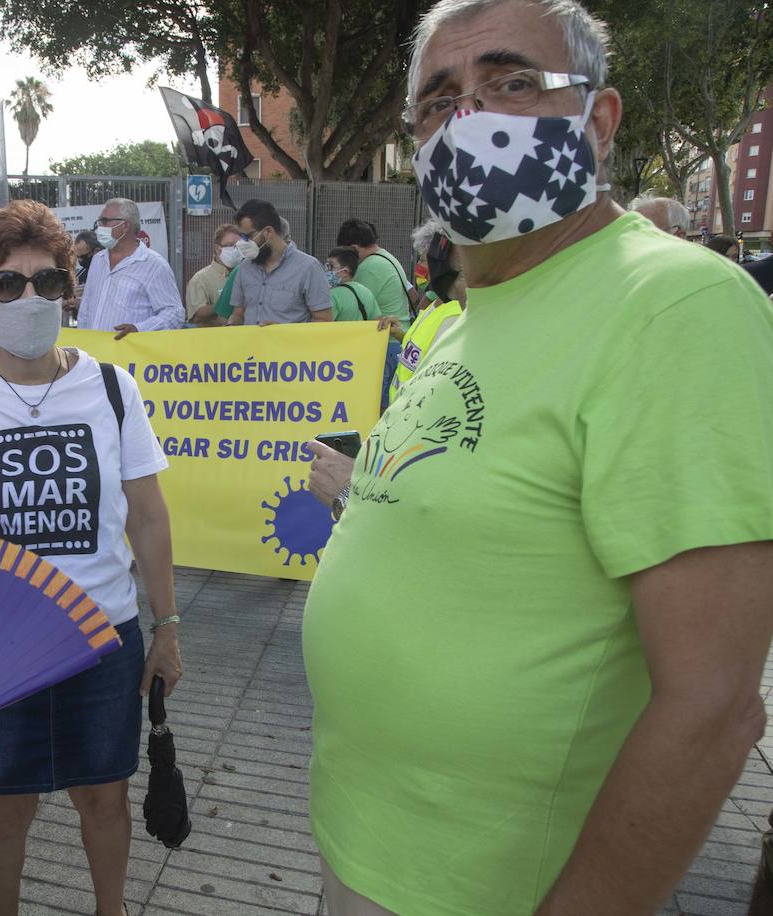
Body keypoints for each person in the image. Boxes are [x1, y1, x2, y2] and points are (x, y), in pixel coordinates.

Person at [302, 1, 773, 914]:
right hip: (362, 851)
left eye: (512, 82)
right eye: (440, 100)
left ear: (598, 123)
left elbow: (713, 705)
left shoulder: (675, 307)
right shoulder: (459, 328)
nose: (469, 117)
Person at [0, 199, 183, 916]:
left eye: (48, 282)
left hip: (103, 636)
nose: (30, 298)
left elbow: (149, 517)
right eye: (6, 284)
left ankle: (111, 910)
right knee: (2, 810)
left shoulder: (115, 390)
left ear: (69, 288)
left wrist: (170, 628)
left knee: (104, 797)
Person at [75, 197, 185, 338]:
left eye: (105, 221)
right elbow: (86, 307)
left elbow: (175, 313)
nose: (100, 227)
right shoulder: (98, 260)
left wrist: (140, 329)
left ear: (125, 226)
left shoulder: (154, 265)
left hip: (129, 356)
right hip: (94, 353)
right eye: (99, 221)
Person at [387, 220, 467, 402]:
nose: (421, 266)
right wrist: (401, 335)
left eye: (424, 259)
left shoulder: (456, 313)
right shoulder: (435, 304)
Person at [228, 198, 332, 325]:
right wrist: (231, 325)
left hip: (289, 345)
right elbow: (238, 314)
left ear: (268, 232)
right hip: (252, 345)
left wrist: (283, 333)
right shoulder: (245, 268)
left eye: (247, 237)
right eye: (241, 237)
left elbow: (323, 321)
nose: (242, 243)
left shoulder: (308, 268)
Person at [335, 217, 415, 324]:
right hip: (397, 332)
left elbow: (353, 307)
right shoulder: (384, 256)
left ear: (354, 248)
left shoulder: (369, 267)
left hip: (387, 336)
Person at [185, 223, 243, 327]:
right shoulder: (200, 279)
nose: (235, 250)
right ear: (217, 248)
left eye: (238, 246)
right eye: (230, 245)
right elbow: (198, 315)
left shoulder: (246, 274)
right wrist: (224, 303)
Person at [323, 246, 383, 322]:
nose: (326, 270)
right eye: (327, 265)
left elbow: (323, 325)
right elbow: (378, 321)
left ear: (345, 272)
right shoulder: (366, 292)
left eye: (331, 266)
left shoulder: (332, 295)